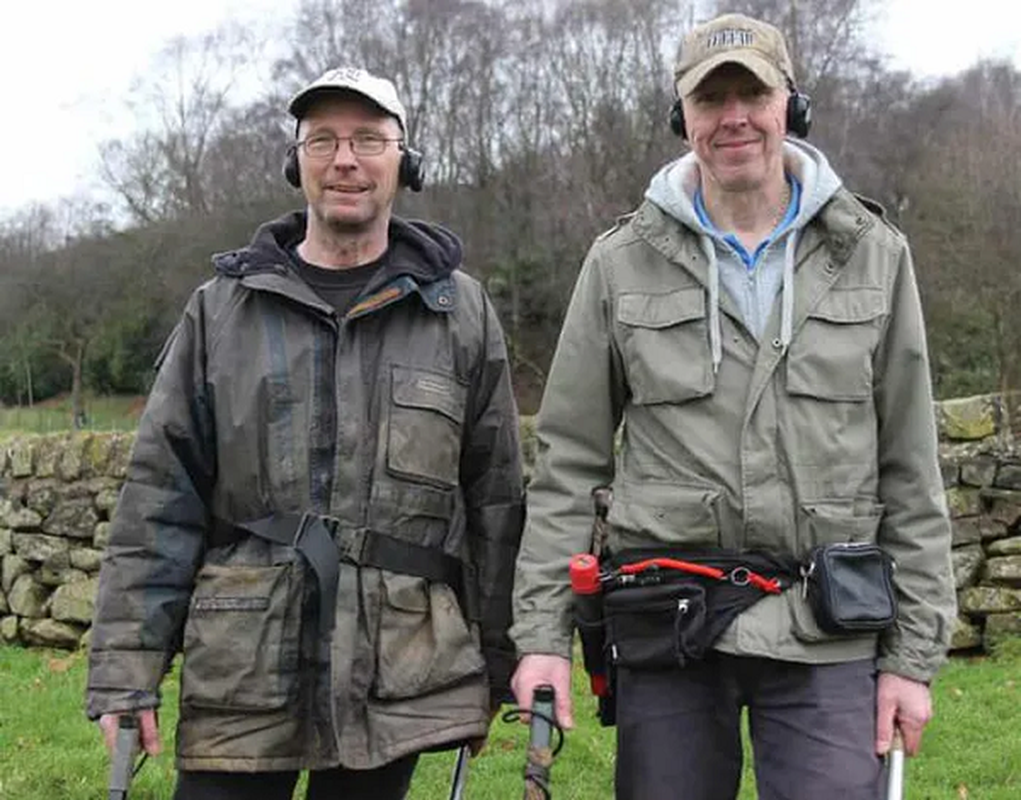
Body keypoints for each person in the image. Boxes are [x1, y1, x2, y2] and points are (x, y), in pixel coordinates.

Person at [510, 13, 955, 800]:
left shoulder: (872, 253)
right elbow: (567, 468)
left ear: (790, 104)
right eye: (709, 99)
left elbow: (910, 472)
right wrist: (543, 637)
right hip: (668, 628)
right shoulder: (619, 262)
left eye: (752, 92)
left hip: (826, 629)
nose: (733, 117)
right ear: (681, 118)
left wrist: (910, 661)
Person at [86, 66, 525, 800]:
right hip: (242, 666)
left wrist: (505, 654)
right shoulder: (221, 311)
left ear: (403, 162)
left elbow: (496, 499)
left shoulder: (460, 314)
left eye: (367, 140)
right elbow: (158, 501)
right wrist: (128, 673)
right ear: (296, 162)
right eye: (321, 140)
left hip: (398, 669)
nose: (344, 160)